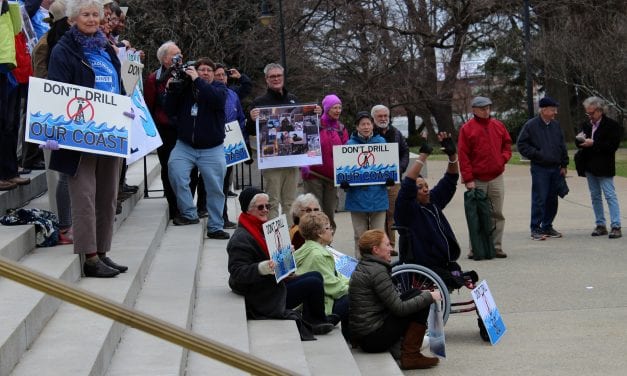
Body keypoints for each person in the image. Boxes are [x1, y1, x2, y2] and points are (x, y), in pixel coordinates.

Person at [47, 0, 128, 277]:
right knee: (84, 196)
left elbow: (119, 86)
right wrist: (52, 132)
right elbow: (56, 93)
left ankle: (103, 251)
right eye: (86, 14)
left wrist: (128, 112)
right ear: (72, 19)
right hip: (78, 134)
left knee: (107, 196)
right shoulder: (64, 50)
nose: (92, 19)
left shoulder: (106, 48)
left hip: (110, 132)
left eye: (96, 14)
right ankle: (90, 257)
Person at [226, 187, 335, 337]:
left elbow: (275, 262)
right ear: (248, 209)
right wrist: (262, 268)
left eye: (267, 206)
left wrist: (285, 255)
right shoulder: (241, 238)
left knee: (316, 276)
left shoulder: (261, 227)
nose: (265, 210)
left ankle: (316, 319)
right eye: (260, 207)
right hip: (262, 294)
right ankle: (316, 321)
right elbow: (237, 272)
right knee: (313, 283)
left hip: (272, 283)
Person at [394, 133, 479, 290]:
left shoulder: (433, 201)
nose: (425, 189)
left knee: (467, 276)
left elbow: (450, 179)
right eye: (420, 188)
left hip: (443, 262)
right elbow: (407, 185)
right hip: (423, 265)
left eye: (426, 185)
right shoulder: (407, 210)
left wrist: (453, 156)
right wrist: (423, 157)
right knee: (452, 278)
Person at [349, 229, 441, 370]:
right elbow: (399, 309)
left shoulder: (366, 265)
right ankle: (411, 356)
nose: (391, 248)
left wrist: (422, 295)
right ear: (376, 250)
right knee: (423, 301)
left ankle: (404, 349)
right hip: (372, 338)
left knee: (415, 293)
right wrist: (429, 297)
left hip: (365, 335)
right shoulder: (377, 271)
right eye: (387, 245)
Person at [164, 57, 230, 240]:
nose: (206, 73)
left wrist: (198, 81)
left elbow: (215, 100)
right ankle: (189, 213)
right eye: (202, 70)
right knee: (175, 171)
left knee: (215, 188)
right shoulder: (187, 88)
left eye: (209, 70)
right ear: (195, 70)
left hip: (212, 148)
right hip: (186, 145)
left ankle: (216, 226)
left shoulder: (219, 88)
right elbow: (169, 109)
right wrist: (171, 90)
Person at [248, 63, 321, 225]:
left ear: (283, 77)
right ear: (266, 79)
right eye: (272, 76)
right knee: (272, 202)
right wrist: (251, 118)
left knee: (290, 202)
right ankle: (274, 241)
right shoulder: (259, 102)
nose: (276, 79)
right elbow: (249, 129)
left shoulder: (293, 99)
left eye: (278, 76)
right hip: (271, 161)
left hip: (292, 161)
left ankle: (289, 236)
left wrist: (316, 115)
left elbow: (307, 127)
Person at [457, 96, 512, 258]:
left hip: (496, 176)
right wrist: (468, 179)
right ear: (474, 110)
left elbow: (507, 144)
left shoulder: (498, 125)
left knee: (497, 213)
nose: (486, 111)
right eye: (482, 108)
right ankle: (476, 248)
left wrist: (502, 159)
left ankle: (496, 246)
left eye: (488, 108)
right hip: (477, 179)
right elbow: (463, 155)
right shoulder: (467, 129)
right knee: (477, 214)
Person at [517, 97, 569, 241]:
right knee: (539, 198)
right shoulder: (531, 125)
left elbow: (562, 145)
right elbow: (521, 144)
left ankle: (547, 225)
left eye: (555, 109)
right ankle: (535, 228)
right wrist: (537, 154)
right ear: (543, 110)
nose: (555, 112)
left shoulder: (556, 125)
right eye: (552, 110)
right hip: (540, 168)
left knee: (553, 199)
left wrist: (564, 164)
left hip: (555, 168)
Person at [294, 211, 350, 339]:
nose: (331, 231)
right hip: (324, 307)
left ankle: (352, 336)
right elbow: (334, 288)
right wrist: (358, 286)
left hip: (324, 301)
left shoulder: (312, 248)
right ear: (319, 233)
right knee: (356, 297)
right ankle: (352, 337)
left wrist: (351, 282)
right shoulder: (317, 255)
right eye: (328, 228)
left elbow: (337, 277)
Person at [144, 41, 182, 220]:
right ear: (165, 59)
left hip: (183, 128)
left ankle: (186, 203)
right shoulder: (154, 78)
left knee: (187, 169)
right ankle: (173, 205)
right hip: (165, 129)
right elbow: (149, 106)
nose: (179, 57)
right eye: (175, 55)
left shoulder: (186, 74)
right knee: (168, 168)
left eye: (180, 54)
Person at [575, 96, 622, 239]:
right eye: (587, 113)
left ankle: (616, 226)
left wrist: (593, 143)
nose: (590, 116)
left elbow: (612, 147)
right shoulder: (586, 124)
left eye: (592, 113)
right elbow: (580, 144)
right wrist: (579, 141)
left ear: (600, 110)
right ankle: (600, 225)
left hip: (604, 167)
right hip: (589, 166)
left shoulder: (612, 126)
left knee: (610, 195)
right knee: (595, 196)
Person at [343, 111, 388, 254]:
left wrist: (390, 177)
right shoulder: (349, 145)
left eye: (368, 123)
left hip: (378, 196)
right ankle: (360, 266)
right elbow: (344, 169)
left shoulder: (382, 143)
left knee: (379, 236)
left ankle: (379, 266)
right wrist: (344, 182)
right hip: (357, 197)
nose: (366, 127)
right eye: (362, 124)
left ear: (373, 125)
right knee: (360, 236)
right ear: (357, 127)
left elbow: (389, 165)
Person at [301, 94, 349, 229]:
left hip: (332, 179)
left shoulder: (341, 128)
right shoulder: (314, 124)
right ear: (327, 109)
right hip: (313, 176)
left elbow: (347, 152)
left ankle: (328, 242)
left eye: (340, 107)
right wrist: (303, 164)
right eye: (334, 107)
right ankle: (314, 243)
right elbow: (303, 144)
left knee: (329, 213)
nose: (338, 110)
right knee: (314, 213)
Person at [214, 63, 248, 229]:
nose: (221, 77)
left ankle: (223, 216)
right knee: (216, 183)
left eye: (223, 75)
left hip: (230, 143)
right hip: (213, 142)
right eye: (218, 75)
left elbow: (240, 117)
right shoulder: (209, 93)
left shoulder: (233, 94)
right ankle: (215, 214)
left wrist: (240, 137)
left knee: (225, 183)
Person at [372, 104, 409, 255]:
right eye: (380, 116)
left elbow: (405, 152)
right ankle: (377, 244)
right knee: (378, 213)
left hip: (393, 181)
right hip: (374, 182)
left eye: (385, 116)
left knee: (392, 214)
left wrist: (399, 169)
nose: (383, 119)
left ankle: (390, 245)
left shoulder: (396, 133)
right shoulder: (370, 133)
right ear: (374, 118)